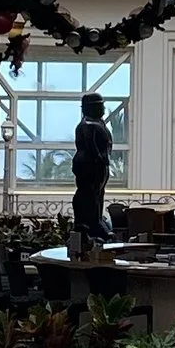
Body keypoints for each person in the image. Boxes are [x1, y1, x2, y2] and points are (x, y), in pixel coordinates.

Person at [71, 102, 114, 245]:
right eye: (100, 105)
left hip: (99, 165)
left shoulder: (97, 123)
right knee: (90, 194)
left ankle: (96, 221)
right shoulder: (88, 125)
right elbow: (91, 144)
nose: (103, 108)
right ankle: (91, 224)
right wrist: (98, 158)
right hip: (90, 166)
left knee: (98, 194)